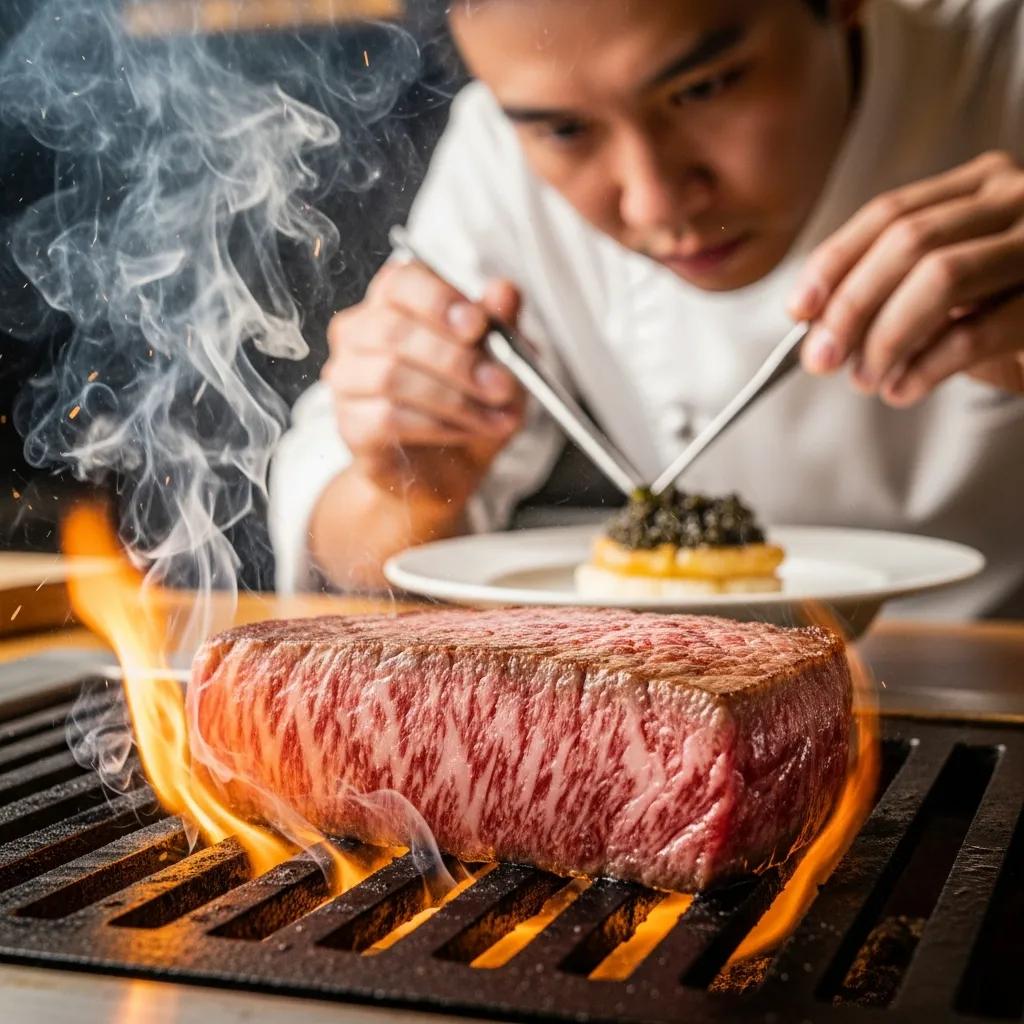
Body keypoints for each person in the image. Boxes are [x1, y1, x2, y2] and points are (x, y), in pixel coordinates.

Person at [271, 0, 1024, 618]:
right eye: (566, 131)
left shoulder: (1004, 62)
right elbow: (342, 539)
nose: (655, 200)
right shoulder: (500, 159)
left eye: (704, 88)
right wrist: (406, 485)